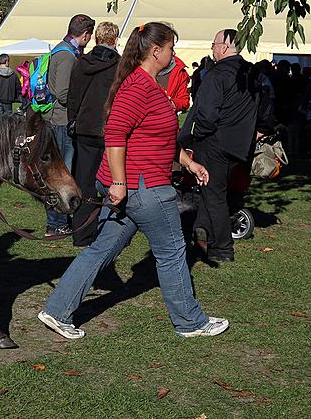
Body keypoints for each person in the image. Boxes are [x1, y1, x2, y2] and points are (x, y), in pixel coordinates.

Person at [38, 22, 229, 339]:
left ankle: (57, 310)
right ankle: (190, 322)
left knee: (101, 249)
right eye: (171, 48)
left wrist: (189, 162)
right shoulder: (138, 87)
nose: (173, 53)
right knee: (171, 252)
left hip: (137, 187)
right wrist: (119, 183)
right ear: (156, 51)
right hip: (144, 188)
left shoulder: (148, 85)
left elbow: (157, 138)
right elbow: (114, 138)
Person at [183, 29, 261, 263]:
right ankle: (201, 231)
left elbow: (206, 113)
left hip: (216, 142)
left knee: (214, 193)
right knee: (212, 190)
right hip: (239, 145)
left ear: (225, 47)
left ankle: (222, 248)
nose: (212, 48)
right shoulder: (251, 74)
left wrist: (200, 134)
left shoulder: (218, 75)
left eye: (215, 44)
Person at [67, 21, 120, 247]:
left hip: (86, 128)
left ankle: (82, 232)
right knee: (112, 180)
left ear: (96, 38)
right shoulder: (119, 67)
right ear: (115, 39)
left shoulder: (82, 63)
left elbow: (74, 96)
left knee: (84, 181)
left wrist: (74, 120)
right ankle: (105, 229)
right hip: (109, 129)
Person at [44, 14, 95, 236]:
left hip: (59, 120)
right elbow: (63, 93)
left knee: (61, 172)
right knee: (61, 174)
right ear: (85, 34)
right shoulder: (66, 56)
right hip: (61, 121)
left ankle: (58, 221)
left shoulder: (62, 50)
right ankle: (56, 223)